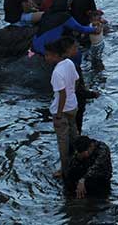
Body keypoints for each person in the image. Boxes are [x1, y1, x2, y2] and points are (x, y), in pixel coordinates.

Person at [45, 37, 80, 178]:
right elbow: (76, 81)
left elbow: (62, 94)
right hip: (73, 106)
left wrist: (59, 114)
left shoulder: (56, 73)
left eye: (47, 55)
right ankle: (77, 163)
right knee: (74, 137)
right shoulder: (69, 63)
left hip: (63, 110)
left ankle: (65, 170)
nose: (46, 57)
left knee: (63, 142)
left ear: (55, 55)